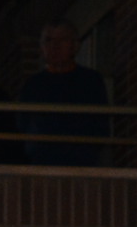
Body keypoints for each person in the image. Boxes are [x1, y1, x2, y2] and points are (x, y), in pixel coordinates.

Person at [8, 20, 111, 166]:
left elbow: (100, 122)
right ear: (41, 47)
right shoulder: (34, 84)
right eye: (48, 40)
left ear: (75, 46)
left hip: (81, 157)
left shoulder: (89, 80)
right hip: (42, 158)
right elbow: (22, 124)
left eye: (62, 40)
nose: (54, 46)